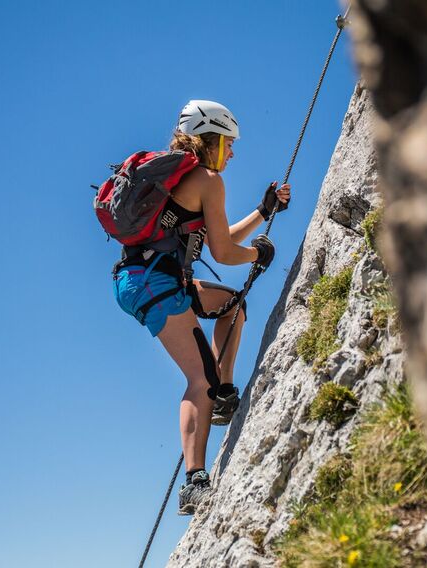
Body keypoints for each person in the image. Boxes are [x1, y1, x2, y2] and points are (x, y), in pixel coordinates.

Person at [112, 100, 290, 515]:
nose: (232, 152)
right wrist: (257, 255)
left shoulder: (186, 178)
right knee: (199, 377)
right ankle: (194, 483)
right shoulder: (207, 179)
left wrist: (263, 214)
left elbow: (217, 237)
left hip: (147, 277)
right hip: (154, 281)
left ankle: (223, 394)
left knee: (231, 306)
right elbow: (226, 253)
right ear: (212, 139)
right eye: (228, 144)